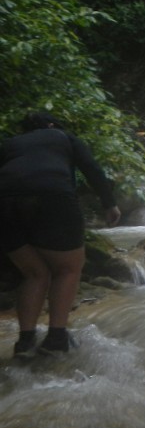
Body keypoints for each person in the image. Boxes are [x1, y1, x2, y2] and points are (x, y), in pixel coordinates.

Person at [1, 111, 121, 357]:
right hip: (53, 198)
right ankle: (56, 338)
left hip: (5, 205)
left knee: (34, 274)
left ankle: (25, 342)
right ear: (53, 125)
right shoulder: (63, 137)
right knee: (67, 269)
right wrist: (109, 203)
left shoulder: (11, 145)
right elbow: (91, 168)